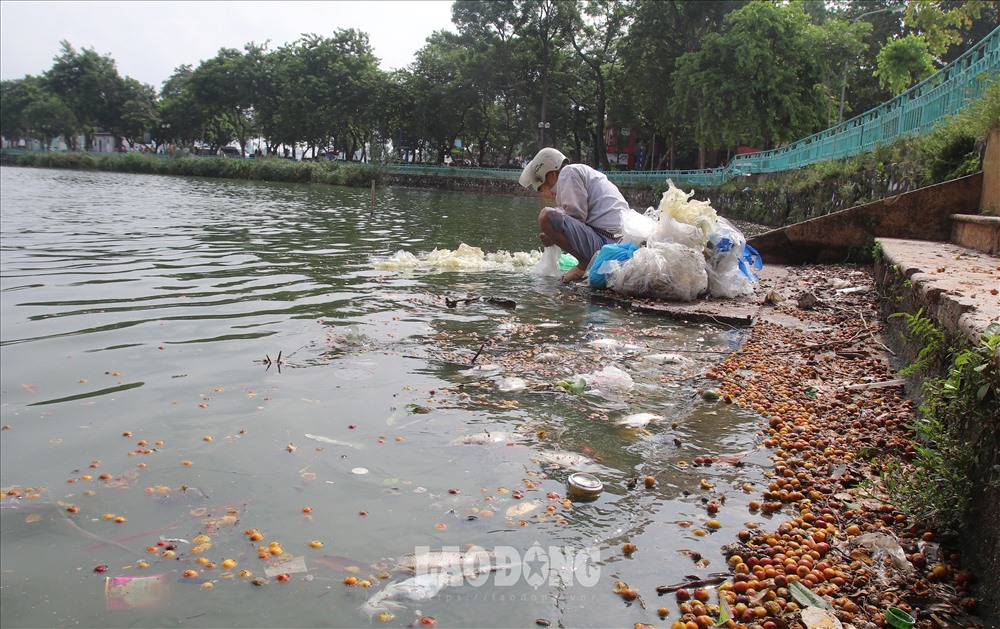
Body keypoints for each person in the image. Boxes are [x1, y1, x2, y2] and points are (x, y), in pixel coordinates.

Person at [519, 147, 635, 283]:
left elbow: (576, 215)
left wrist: (553, 233)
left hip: (608, 243)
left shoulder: (568, 173)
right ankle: (585, 262)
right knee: (552, 217)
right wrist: (554, 237)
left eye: (543, 186)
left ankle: (584, 264)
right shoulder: (578, 173)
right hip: (616, 242)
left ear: (552, 174)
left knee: (546, 217)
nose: (546, 192)